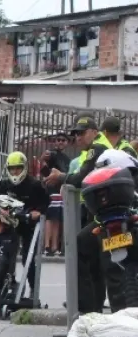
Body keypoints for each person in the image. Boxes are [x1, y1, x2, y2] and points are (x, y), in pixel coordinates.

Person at [45, 116, 138, 314]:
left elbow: (82, 178)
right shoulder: (123, 149)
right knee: (102, 261)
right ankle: (95, 313)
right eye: (75, 134)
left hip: (111, 216)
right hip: (108, 216)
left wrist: (61, 177)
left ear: (98, 132)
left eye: (81, 132)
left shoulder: (98, 149)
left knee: (108, 265)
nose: (77, 137)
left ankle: (91, 313)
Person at [0, 151, 50, 287]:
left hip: (28, 224)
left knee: (27, 258)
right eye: (12, 169)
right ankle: (7, 283)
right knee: (4, 254)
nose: (15, 172)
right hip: (10, 223)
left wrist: (38, 211)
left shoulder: (35, 185)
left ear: (24, 167)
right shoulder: (4, 184)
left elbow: (46, 202)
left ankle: (33, 289)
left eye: (18, 168)